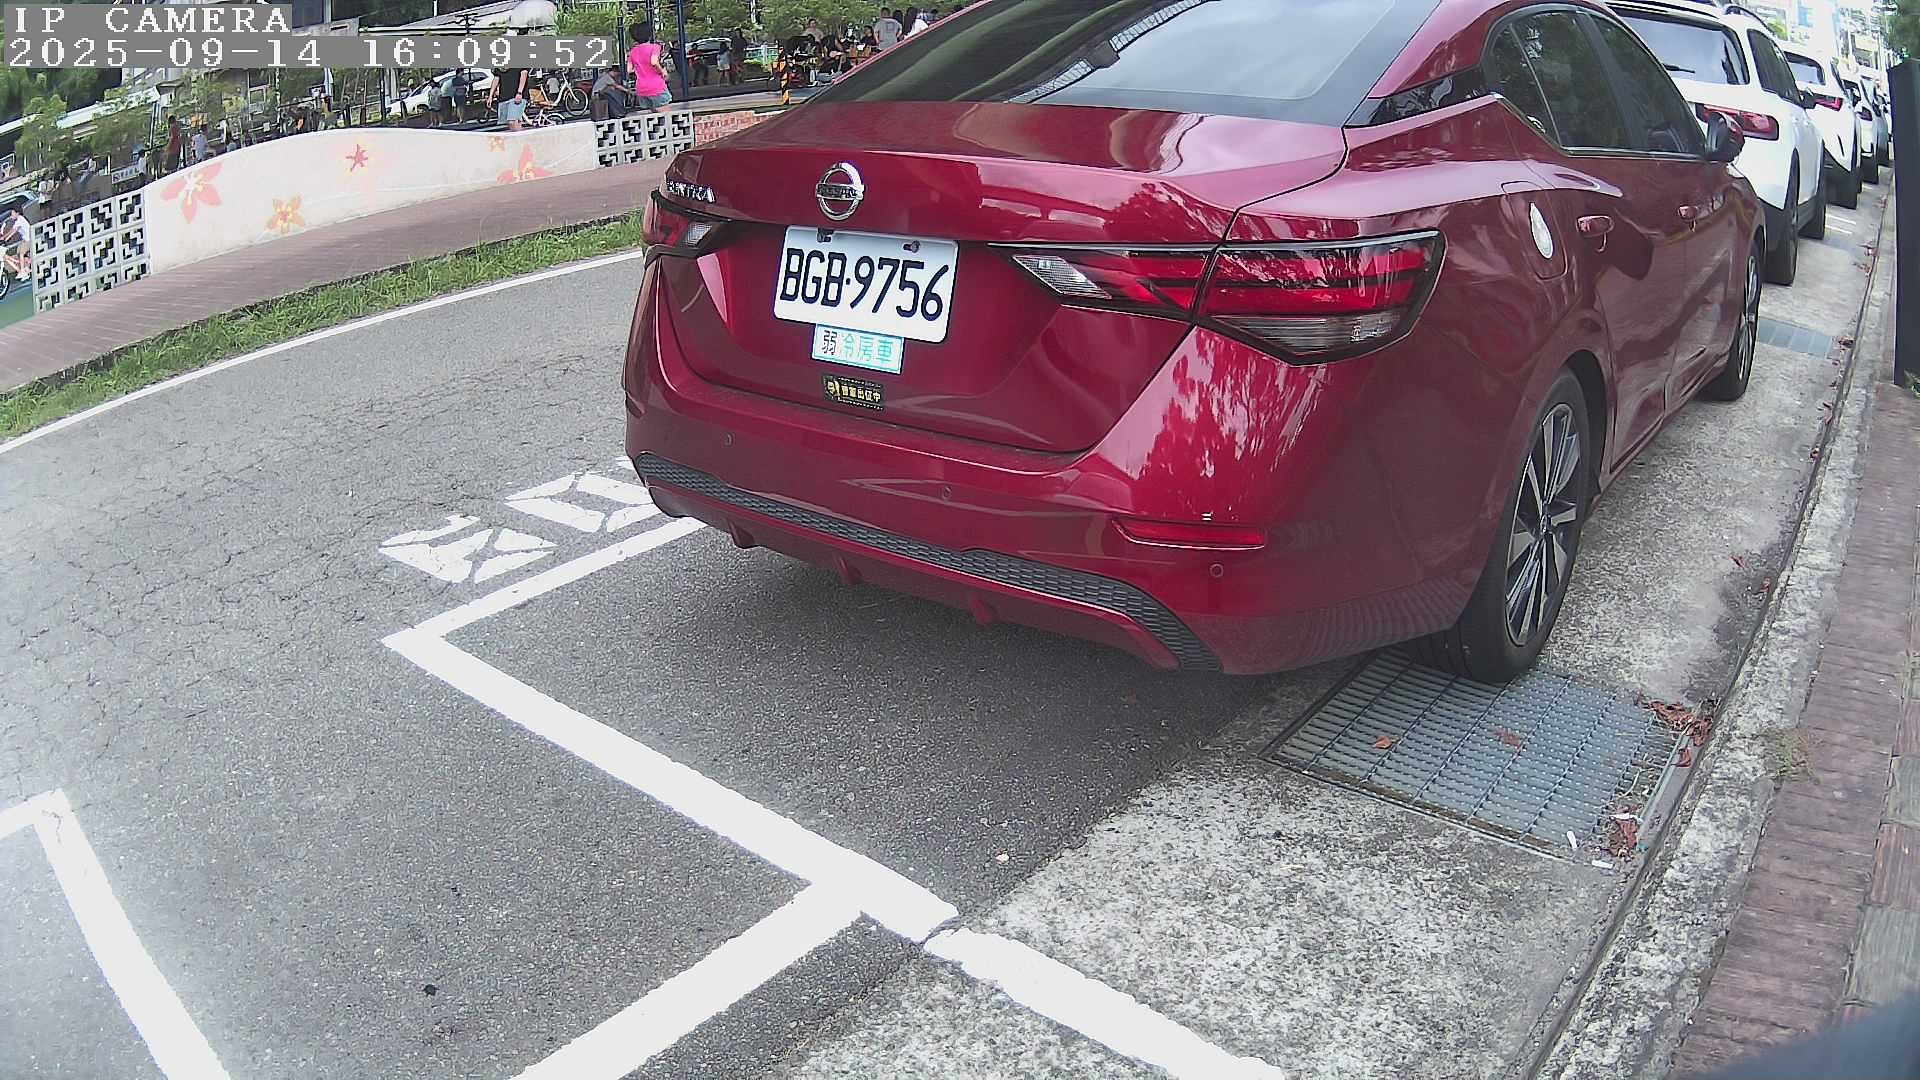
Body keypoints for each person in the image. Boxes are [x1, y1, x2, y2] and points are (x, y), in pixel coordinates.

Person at [628, 21, 672, 112]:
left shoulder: (633, 51)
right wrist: (662, 72)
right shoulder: (655, 47)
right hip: (656, 87)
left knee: (652, 116)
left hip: (641, 89)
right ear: (649, 35)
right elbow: (654, 61)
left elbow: (629, 70)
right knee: (666, 116)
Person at [493, 61, 529, 130]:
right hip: (504, 96)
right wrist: (490, 96)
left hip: (516, 95)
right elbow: (496, 78)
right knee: (509, 123)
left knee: (512, 121)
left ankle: (520, 136)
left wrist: (519, 92)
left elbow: (524, 74)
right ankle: (520, 134)